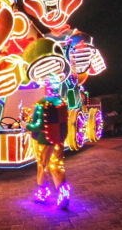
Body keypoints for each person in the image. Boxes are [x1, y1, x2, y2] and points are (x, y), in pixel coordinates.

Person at [26, 76, 70, 209]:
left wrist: (27, 125)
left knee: (42, 167)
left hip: (43, 141)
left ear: (46, 87)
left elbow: (38, 125)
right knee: (57, 166)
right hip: (58, 140)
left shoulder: (42, 103)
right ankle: (64, 194)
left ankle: (43, 193)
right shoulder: (61, 102)